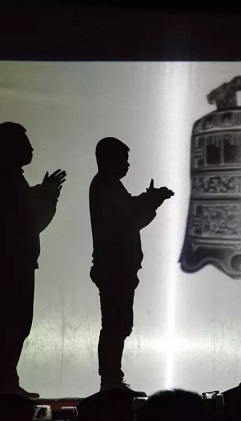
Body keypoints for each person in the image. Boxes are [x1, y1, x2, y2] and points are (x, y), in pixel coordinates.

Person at [0, 122, 66, 398]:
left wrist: (44, 194)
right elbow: (19, 220)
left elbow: (23, 213)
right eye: (25, 143)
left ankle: (0, 381)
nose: (31, 148)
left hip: (14, 261)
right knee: (10, 322)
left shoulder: (7, 178)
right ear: (10, 147)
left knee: (12, 322)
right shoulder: (2, 177)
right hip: (10, 263)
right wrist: (47, 195)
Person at [89, 137, 174, 392]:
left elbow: (128, 212)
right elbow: (128, 220)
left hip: (117, 268)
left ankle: (112, 380)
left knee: (117, 324)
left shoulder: (108, 186)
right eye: (123, 160)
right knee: (116, 325)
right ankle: (111, 381)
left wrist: (149, 199)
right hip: (115, 269)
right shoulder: (106, 187)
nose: (127, 165)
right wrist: (152, 201)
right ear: (108, 160)